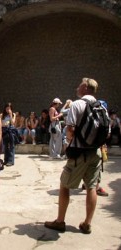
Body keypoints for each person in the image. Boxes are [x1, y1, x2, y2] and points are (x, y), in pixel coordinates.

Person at [44, 77, 102, 234]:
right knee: (91, 187)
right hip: (95, 152)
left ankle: (60, 221)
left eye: (79, 85)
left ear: (85, 87)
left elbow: (69, 130)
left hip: (79, 152)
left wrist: (70, 143)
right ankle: (87, 223)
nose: (77, 87)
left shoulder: (78, 105)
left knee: (64, 185)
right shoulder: (100, 106)